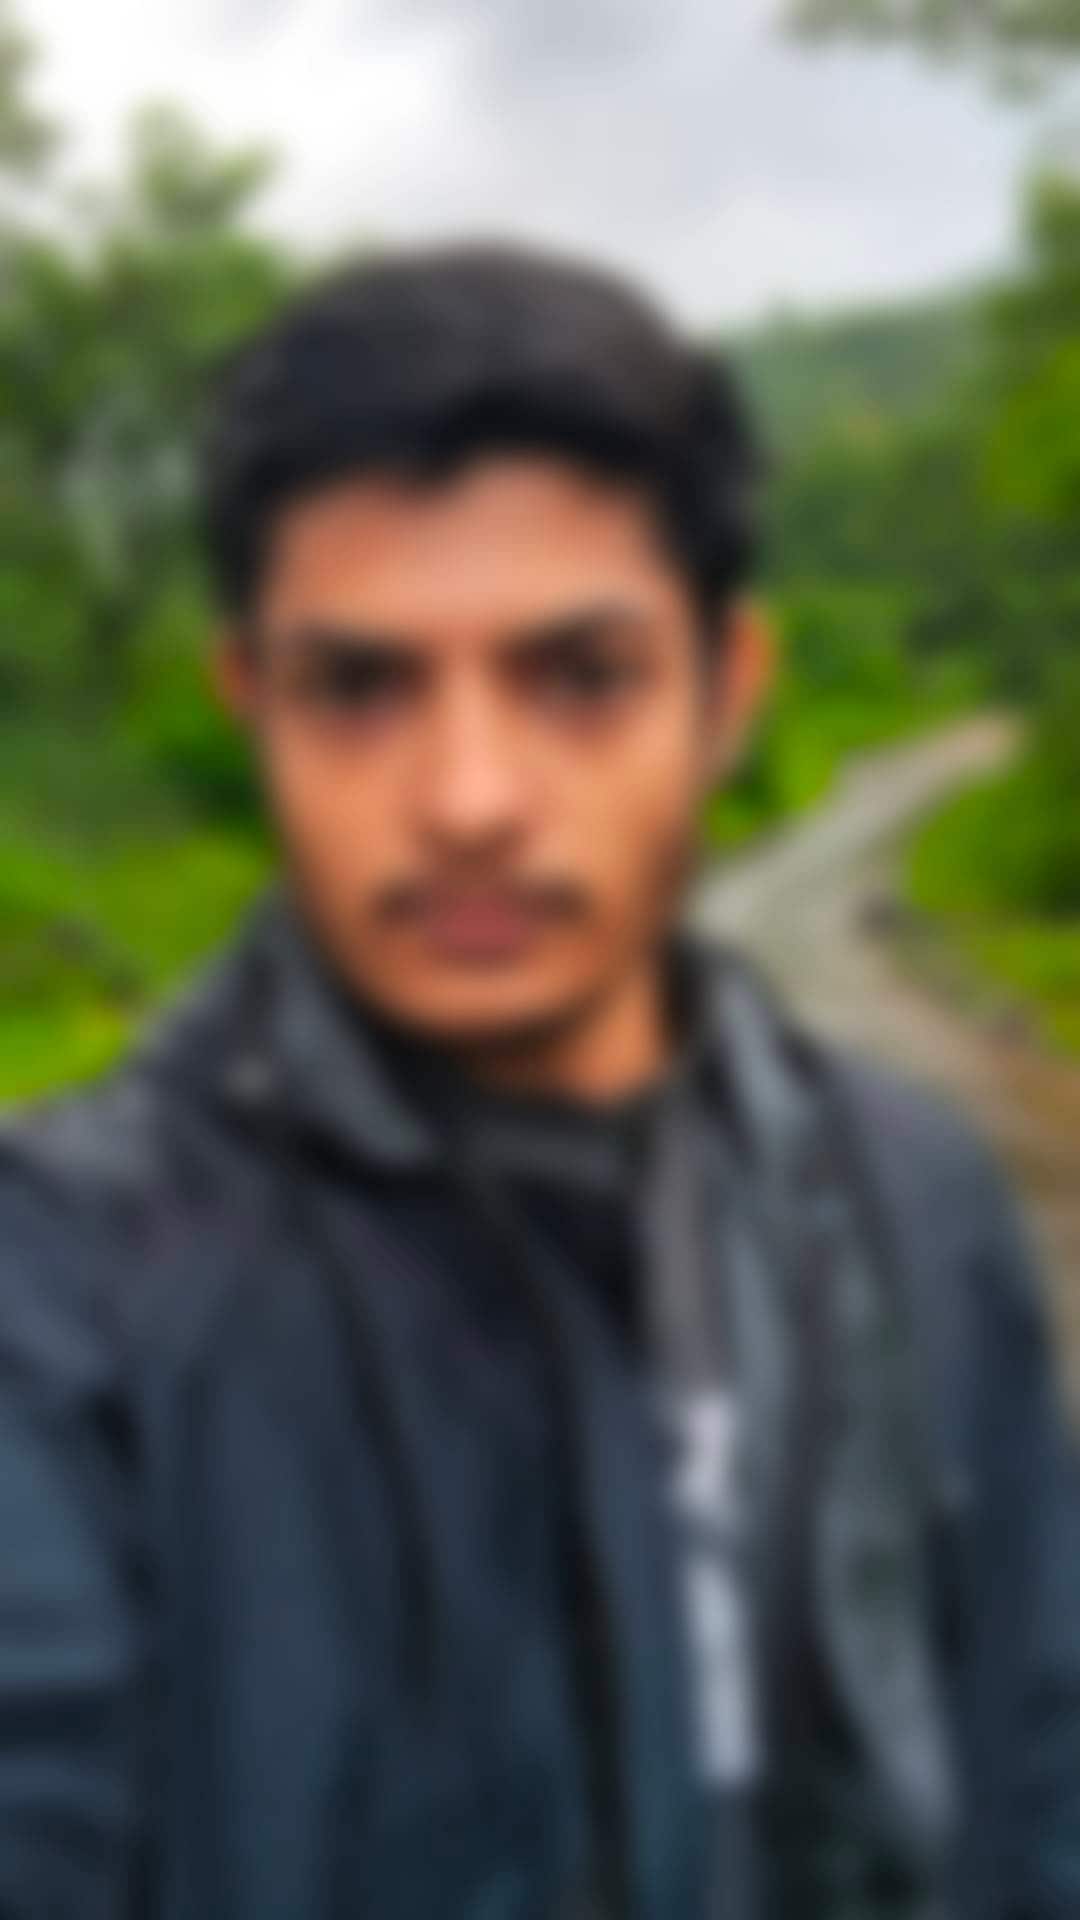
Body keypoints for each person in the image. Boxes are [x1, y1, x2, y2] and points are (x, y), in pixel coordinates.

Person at [0, 242, 1077, 1920]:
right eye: (360, 687)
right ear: (251, 706)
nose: (472, 800)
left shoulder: (913, 1202)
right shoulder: (64, 1297)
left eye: (580, 678)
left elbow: (1031, 1775)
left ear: (727, 693)